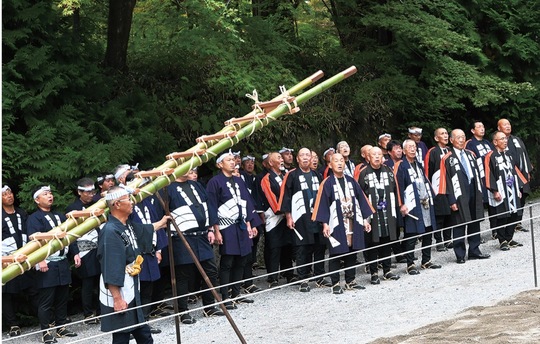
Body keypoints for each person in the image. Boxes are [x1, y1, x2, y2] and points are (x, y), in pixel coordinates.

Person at [97, 186, 169, 344]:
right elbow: (111, 265)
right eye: (128, 200)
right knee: (123, 334)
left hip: (131, 286)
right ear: (116, 204)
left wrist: (162, 223)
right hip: (120, 289)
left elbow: (143, 230)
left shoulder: (126, 224)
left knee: (142, 332)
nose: (132, 203)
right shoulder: (110, 231)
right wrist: (117, 298)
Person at [165, 171, 225, 323]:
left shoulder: (196, 185)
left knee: (211, 271)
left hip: (202, 236)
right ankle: (182, 312)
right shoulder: (167, 189)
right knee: (183, 275)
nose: (188, 170)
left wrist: (211, 229)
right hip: (181, 237)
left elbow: (208, 207)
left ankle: (209, 306)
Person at [312, 153, 374, 294]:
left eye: (341, 161)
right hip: (336, 222)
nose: (339, 163)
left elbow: (360, 200)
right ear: (330, 164)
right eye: (336, 161)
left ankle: (350, 280)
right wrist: (325, 224)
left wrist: (365, 219)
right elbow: (322, 204)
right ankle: (335, 283)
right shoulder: (327, 183)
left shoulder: (351, 181)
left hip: (352, 220)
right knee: (336, 253)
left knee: (352, 251)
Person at [26, 186, 80, 343]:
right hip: (47, 263)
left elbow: (69, 236)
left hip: (62, 262)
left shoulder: (58, 215)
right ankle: (46, 331)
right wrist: (39, 259)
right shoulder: (34, 218)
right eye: (45, 194)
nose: (50, 196)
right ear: (37, 200)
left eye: (50, 193)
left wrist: (75, 252)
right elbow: (33, 241)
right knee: (46, 300)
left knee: (62, 297)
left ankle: (61, 326)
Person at [206, 152, 260, 307]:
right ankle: (225, 296)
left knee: (242, 259)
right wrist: (215, 230)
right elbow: (212, 206)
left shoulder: (239, 180)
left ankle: (236, 293)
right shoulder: (214, 182)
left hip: (241, 224)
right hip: (225, 225)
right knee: (228, 260)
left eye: (233, 160)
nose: (232, 162)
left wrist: (251, 223)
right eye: (228, 160)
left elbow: (247, 202)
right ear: (219, 164)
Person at [279, 148, 331, 292]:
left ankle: (320, 276)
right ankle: (303, 279)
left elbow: (324, 196)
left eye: (308, 155)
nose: (306, 158)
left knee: (320, 246)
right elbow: (286, 196)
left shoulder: (317, 174)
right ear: (298, 159)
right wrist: (288, 216)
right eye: (302, 155)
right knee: (303, 248)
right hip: (301, 218)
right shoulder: (292, 175)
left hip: (317, 217)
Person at [440, 129, 490, 263]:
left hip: (473, 189)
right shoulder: (447, 158)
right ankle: (460, 254)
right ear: (451, 140)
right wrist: (451, 200)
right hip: (458, 193)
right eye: (458, 137)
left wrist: (481, 192)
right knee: (459, 222)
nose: (461, 140)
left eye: (463, 137)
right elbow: (445, 181)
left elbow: (478, 174)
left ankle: (474, 250)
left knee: (475, 220)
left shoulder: (471, 154)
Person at [127, 175, 167, 333]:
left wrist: (158, 249)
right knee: (133, 291)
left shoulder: (148, 203)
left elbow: (156, 224)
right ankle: (130, 326)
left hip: (149, 252)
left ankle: (144, 322)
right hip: (135, 254)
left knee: (147, 289)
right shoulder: (127, 206)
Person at [395, 140, 442, 275]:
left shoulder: (418, 164)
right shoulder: (401, 165)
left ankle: (426, 260)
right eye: (409, 147)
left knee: (428, 231)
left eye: (414, 147)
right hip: (412, 204)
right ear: (404, 151)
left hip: (425, 202)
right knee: (411, 233)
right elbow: (398, 186)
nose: (413, 149)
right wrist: (401, 204)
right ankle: (410, 264)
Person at [357, 147, 400, 284]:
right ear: (368, 157)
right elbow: (360, 196)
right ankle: (374, 272)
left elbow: (395, 189)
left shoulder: (388, 170)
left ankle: (387, 270)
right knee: (372, 243)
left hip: (387, 211)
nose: (376, 157)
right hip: (372, 213)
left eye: (379, 154)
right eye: (373, 154)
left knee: (386, 241)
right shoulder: (363, 173)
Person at [2, 185, 37, 338]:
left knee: (34, 289)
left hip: (25, 255)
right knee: (7, 294)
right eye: (4, 194)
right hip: (6, 259)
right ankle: (12, 324)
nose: (9, 196)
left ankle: (45, 319)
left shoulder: (22, 213)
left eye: (10, 192)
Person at [66, 178, 101, 325]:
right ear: (79, 192)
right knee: (87, 283)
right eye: (87, 192)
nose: (91, 194)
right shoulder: (72, 208)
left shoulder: (98, 204)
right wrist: (75, 253)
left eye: (93, 191)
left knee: (102, 281)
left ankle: (102, 311)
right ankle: (87, 314)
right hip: (83, 249)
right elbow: (70, 234)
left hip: (99, 246)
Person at [484, 131, 528, 251]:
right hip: (500, 190)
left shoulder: (509, 155)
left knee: (514, 214)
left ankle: (509, 238)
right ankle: (502, 240)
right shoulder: (490, 156)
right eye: (502, 139)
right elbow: (488, 174)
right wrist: (494, 190)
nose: (505, 141)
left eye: (505, 139)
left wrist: (518, 187)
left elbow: (515, 171)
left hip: (512, 189)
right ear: (495, 142)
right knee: (501, 215)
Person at [260, 152, 295, 287]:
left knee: (287, 245)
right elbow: (271, 198)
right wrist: (283, 211)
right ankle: (273, 276)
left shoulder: (286, 175)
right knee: (274, 246)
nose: (282, 160)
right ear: (270, 163)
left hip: (288, 215)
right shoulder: (267, 178)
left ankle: (289, 273)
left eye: (281, 158)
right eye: (278, 158)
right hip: (275, 216)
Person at [497, 118, 533, 232]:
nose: (508, 126)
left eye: (509, 124)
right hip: (510, 174)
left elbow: (525, 154)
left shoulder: (516, 139)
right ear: (499, 128)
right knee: (512, 196)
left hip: (522, 173)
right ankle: (509, 224)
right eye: (505, 124)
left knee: (523, 195)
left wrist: (527, 171)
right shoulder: (499, 142)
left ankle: (518, 221)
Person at [465, 120, 496, 237]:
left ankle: (495, 230)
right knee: (478, 206)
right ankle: (476, 235)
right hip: (478, 178)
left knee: (493, 204)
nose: (482, 129)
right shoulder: (470, 144)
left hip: (490, 176)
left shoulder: (487, 142)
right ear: (473, 130)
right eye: (479, 127)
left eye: (483, 126)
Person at [424, 128, 452, 251]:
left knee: (450, 215)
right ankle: (439, 241)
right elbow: (427, 171)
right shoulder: (432, 152)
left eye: (446, 133)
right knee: (439, 216)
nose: (445, 136)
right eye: (442, 134)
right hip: (437, 188)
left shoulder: (451, 151)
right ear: (436, 138)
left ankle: (448, 240)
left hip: (450, 188)